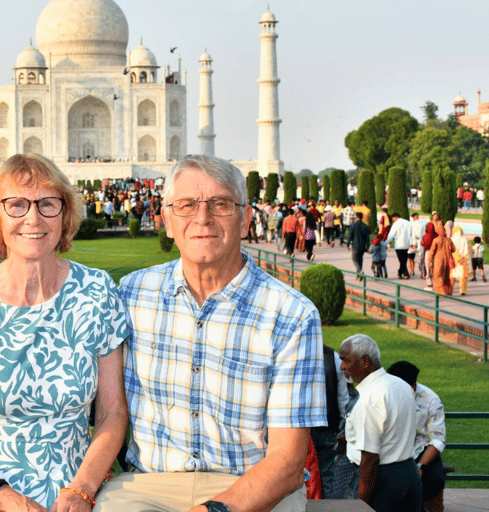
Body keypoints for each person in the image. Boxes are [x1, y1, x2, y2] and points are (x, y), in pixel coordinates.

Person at [98, 155, 327, 512]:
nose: (202, 218)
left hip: (254, 484)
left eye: (220, 204)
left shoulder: (291, 315)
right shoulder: (131, 294)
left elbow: (286, 462)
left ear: (245, 219)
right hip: (150, 483)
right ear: (168, 221)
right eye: (187, 205)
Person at [0, 154, 129, 512]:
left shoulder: (95, 292)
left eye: (47, 204)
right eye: (17, 205)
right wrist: (1, 496)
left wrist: (81, 488)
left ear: (65, 215)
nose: (33, 218)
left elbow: (112, 412)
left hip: (74, 483)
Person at [339, 335, 422, 512]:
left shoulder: (369, 399)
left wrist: (361, 504)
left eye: (346, 360)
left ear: (365, 361)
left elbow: (370, 459)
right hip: (409, 473)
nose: (342, 367)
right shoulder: (401, 385)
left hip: (382, 479)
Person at [387, 361, 447, 512]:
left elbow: (438, 439)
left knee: (435, 480)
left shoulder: (431, 400)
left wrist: (420, 466)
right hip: (392, 450)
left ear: (413, 385)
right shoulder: (385, 395)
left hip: (421, 451)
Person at [310, 345, 350, 500]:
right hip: (327, 425)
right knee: (327, 476)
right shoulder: (331, 356)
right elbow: (343, 398)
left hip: (299, 429)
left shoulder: (289, 351)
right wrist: (343, 425)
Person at [428, 219, 456, 296]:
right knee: (447, 277)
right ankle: (448, 291)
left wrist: (429, 261)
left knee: (438, 276)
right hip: (447, 260)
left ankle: (440, 292)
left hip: (438, 260)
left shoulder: (436, 240)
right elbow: (454, 250)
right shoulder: (449, 240)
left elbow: (432, 252)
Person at [385, 213, 411, 279]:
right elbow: (412, 233)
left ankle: (405, 274)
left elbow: (391, 235)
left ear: (395, 217)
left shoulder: (396, 224)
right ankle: (400, 272)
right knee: (403, 260)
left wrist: (386, 243)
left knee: (402, 260)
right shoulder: (408, 223)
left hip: (399, 245)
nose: (393, 220)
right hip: (407, 244)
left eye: (393, 219)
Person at [348, 212, 370, 281]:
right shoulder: (365, 226)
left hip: (355, 246)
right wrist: (368, 246)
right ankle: (358, 276)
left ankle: (360, 271)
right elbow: (367, 238)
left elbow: (350, 235)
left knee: (354, 260)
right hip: (362, 246)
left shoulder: (353, 225)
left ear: (356, 217)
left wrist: (348, 244)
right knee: (360, 261)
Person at [451, 225, 470, 295]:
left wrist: (456, 256)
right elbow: (467, 250)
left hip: (454, 259)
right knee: (463, 276)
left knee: (453, 275)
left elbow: (451, 249)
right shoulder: (464, 239)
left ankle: (451, 289)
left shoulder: (452, 239)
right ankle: (463, 290)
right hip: (463, 259)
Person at [408, 212, 425, 278]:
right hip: (411, 242)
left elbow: (421, 234)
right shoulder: (411, 224)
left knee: (413, 257)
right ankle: (411, 270)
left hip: (418, 242)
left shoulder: (421, 224)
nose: (414, 218)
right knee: (410, 257)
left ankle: (413, 270)